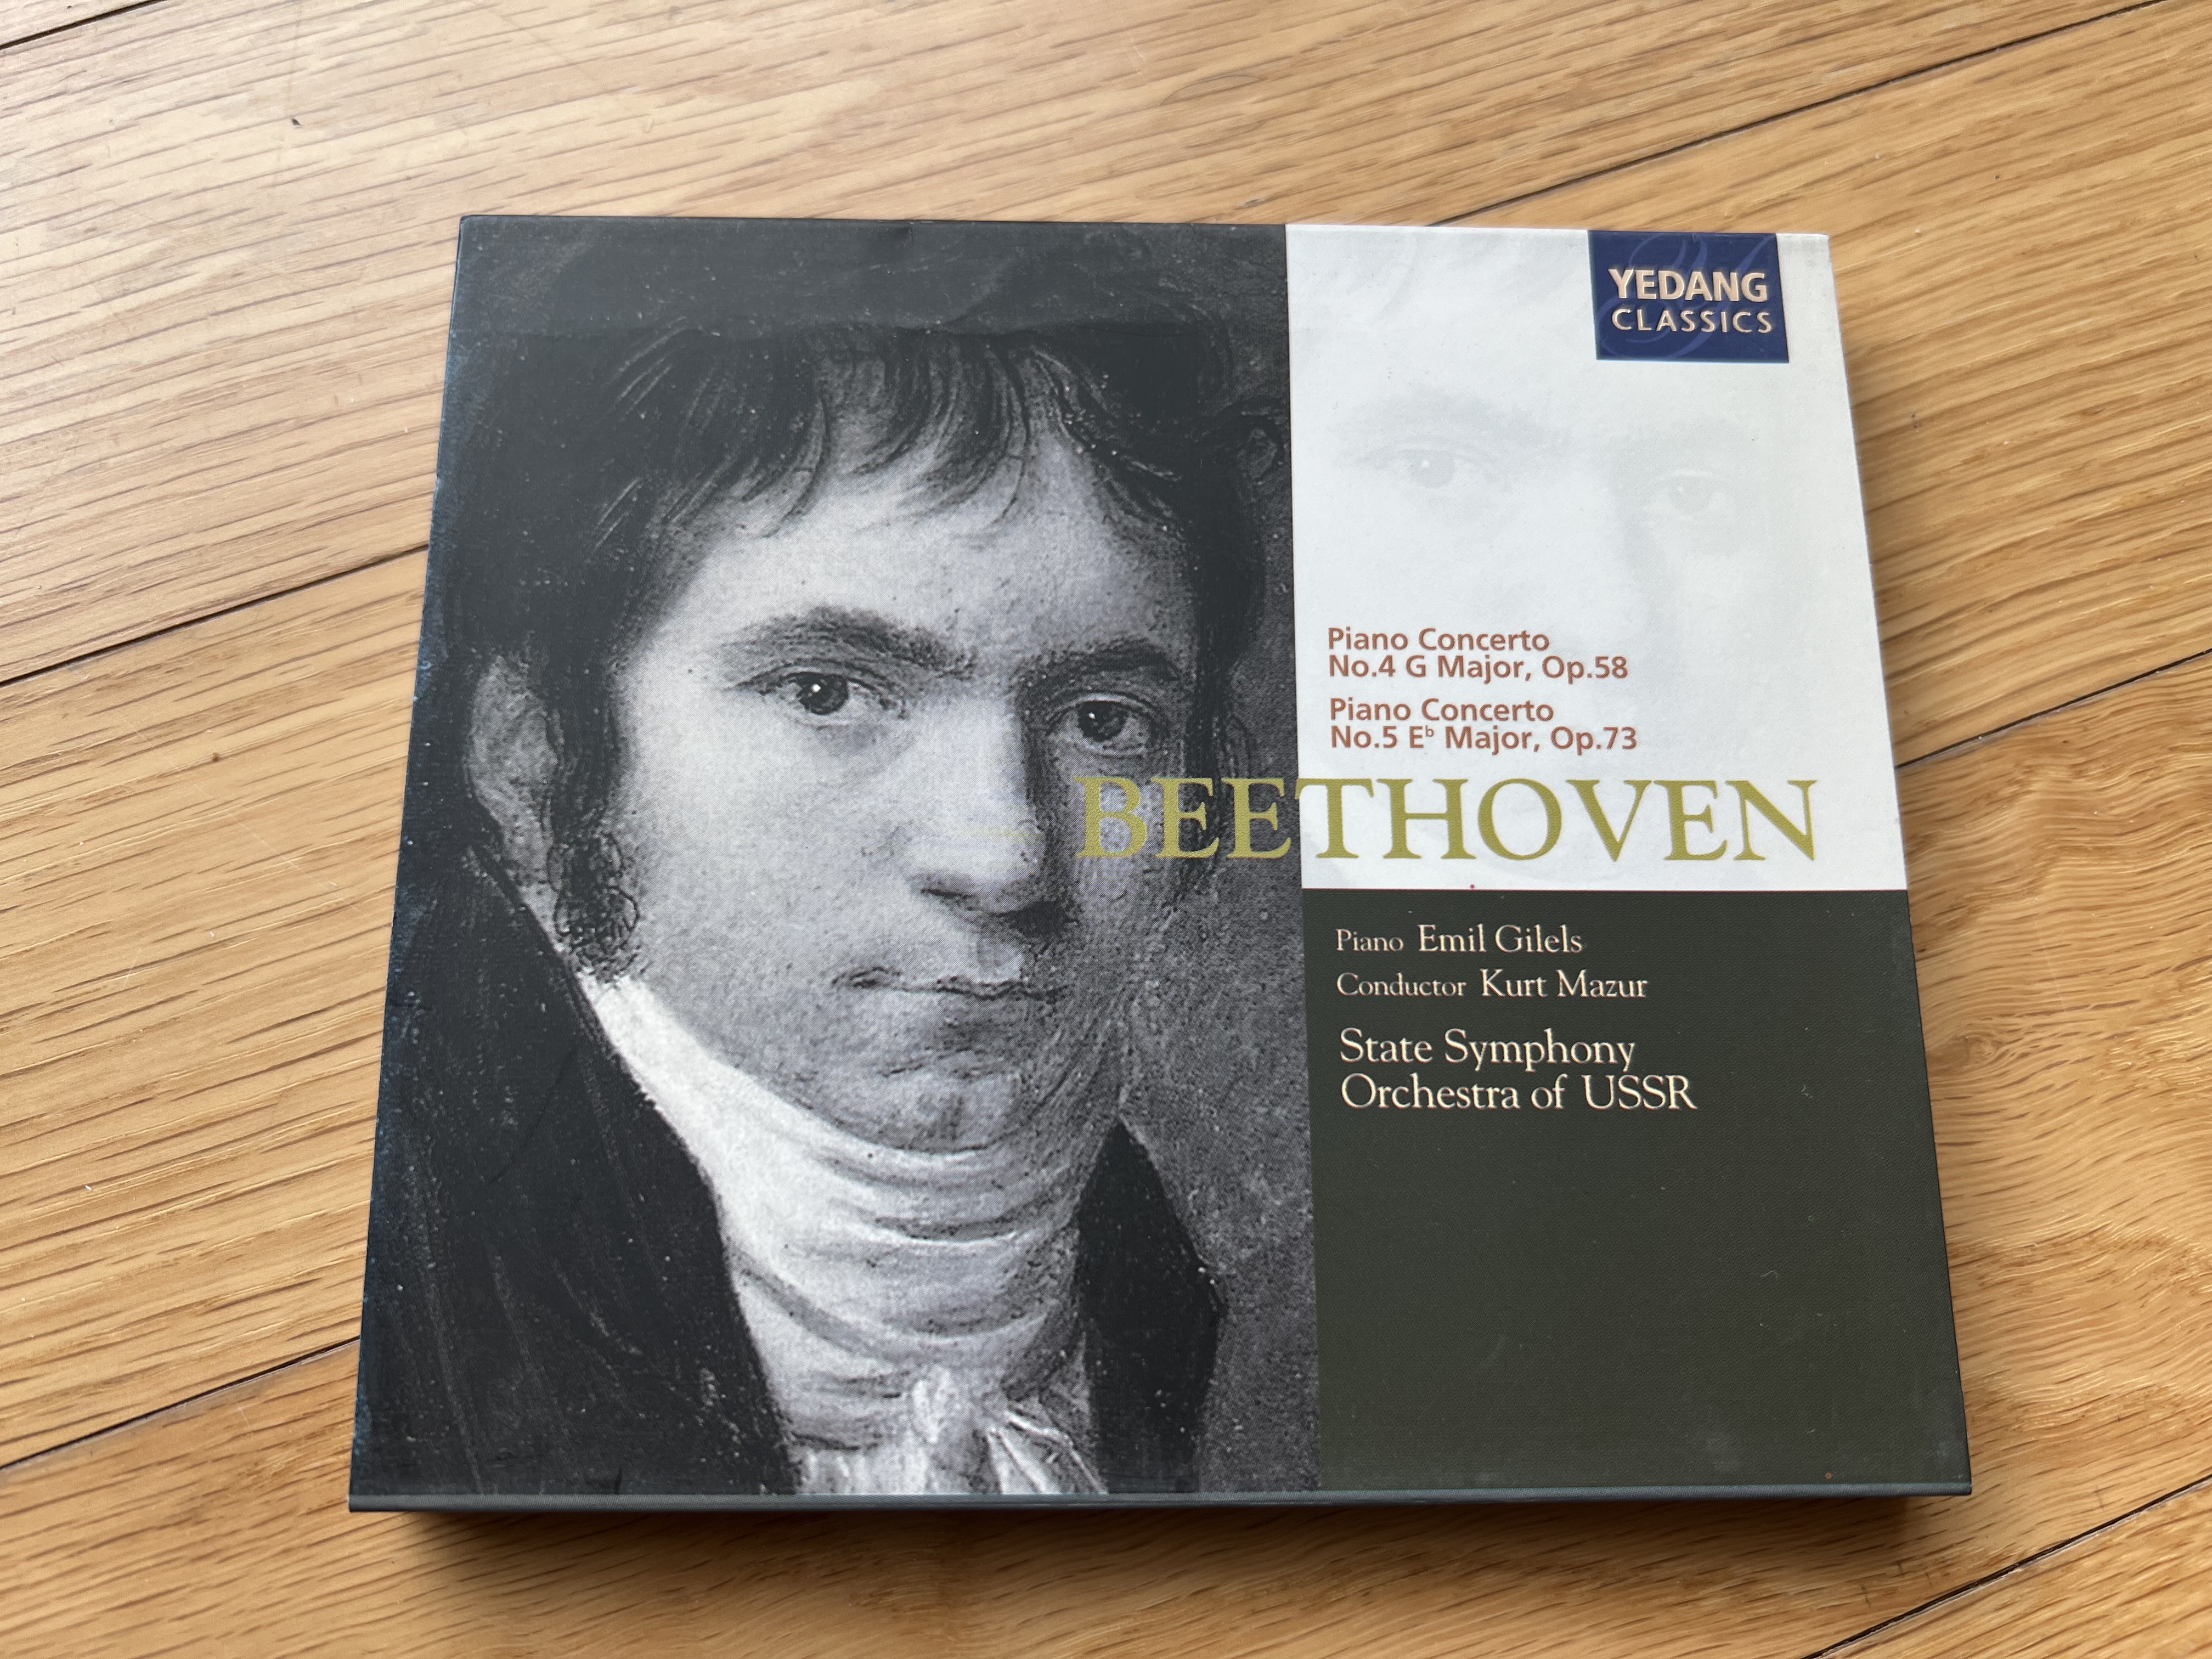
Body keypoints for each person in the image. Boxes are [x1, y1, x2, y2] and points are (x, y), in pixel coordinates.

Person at [350, 270, 1285, 1499]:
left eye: (1102, 721)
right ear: (536, 765)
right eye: (828, 693)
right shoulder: (435, 1303)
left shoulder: (1177, 1310)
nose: (1005, 859)